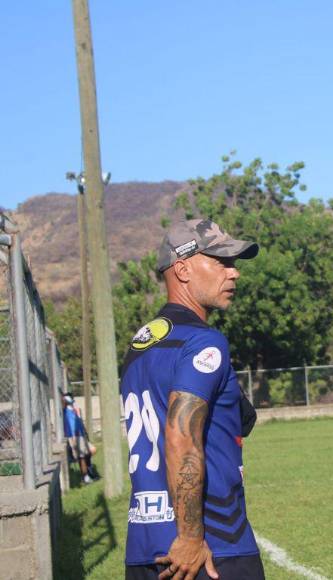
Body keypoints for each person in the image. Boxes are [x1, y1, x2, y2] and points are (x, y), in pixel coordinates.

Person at [120, 219, 263, 580]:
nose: (234, 274)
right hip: (208, 550)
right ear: (182, 269)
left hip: (143, 546)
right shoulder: (204, 341)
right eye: (221, 262)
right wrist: (189, 537)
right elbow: (181, 436)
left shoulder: (140, 345)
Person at [62, 392, 97, 484]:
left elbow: (78, 422)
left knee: (88, 453)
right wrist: (73, 439)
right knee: (82, 456)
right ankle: (85, 477)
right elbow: (70, 426)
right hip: (75, 436)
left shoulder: (73, 410)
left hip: (81, 435)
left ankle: (88, 473)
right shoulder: (67, 412)